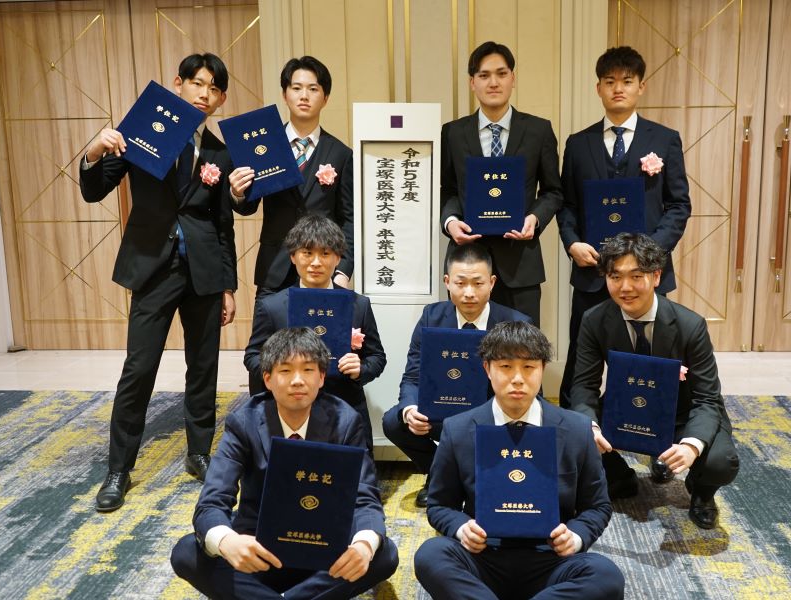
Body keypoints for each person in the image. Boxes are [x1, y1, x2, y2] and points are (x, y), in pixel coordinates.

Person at [79, 53, 237, 512]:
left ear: (222, 99)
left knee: (203, 366)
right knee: (139, 367)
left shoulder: (219, 152)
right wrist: (94, 150)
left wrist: (228, 286)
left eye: (214, 89)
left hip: (204, 272)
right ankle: (118, 469)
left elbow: (223, 224)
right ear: (178, 84)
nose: (205, 94)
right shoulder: (144, 130)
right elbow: (94, 189)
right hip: (153, 266)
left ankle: (199, 453)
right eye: (198, 83)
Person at [170, 327, 398, 599]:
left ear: (321, 377)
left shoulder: (345, 421)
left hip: (324, 549)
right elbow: (212, 501)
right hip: (259, 551)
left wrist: (362, 546)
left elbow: (365, 498)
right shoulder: (244, 422)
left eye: (308, 370)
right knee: (187, 551)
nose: (297, 381)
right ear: (267, 379)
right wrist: (228, 541)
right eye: (286, 371)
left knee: (382, 552)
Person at [414, 321, 624, 600]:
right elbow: (440, 505)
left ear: (542, 369)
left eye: (528, 367)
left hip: (551, 558)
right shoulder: (458, 429)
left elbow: (597, 506)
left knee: (606, 575)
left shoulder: (576, 429)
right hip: (483, 555)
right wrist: (462, 529)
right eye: (505, 366)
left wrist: (575, 536)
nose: (517, 378)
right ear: (487, 369)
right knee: (431, 554)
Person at [571, 232, 739, 529]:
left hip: (681, 412)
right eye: (615, 276)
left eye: (636, 276)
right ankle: (620, 478)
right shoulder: (594, 320)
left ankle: (701, 493)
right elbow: (584, 386)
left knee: (720, 461)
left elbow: (707, 398)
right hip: (624, 409)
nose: (625, 287)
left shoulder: (690, 325)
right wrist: (591, 428)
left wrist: (691, 446)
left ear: (656, 276)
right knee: (573, 433)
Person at [557, 46, 691, 410]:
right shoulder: (578, 144)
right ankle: (576, 428)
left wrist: (650, 255)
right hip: (592, 271)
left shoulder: (664, 139)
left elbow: (679, 205)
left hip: (647, 274)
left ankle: (653, 430)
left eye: (627, 81)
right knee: (581, 355)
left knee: (651, 359)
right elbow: (568, 206)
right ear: (598, 88)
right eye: (610, 81)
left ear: (641, 87)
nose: (618, 88)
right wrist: (572, 243)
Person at [382, 243, 532, 507]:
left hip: (493, 417)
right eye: (461, 283)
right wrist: (410, 409)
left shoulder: (515, 324)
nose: (469, 293)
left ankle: (474, 477)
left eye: (478, 283)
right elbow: (413, 376)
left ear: (492, 283)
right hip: (443, 414)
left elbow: (530, 389)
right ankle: (440, 473)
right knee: (394, 422)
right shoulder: (431, 317)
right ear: (447, 282)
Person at [440, 41, 562, 327]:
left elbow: (553, 191)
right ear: (472, 82)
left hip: (521, 265)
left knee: (521, 346)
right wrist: (450, 222)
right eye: (484, 75)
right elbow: (448, 190)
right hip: (468, 265)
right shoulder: (453, 133)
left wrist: (535, 219)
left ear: (513, 78)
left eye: (501, 74)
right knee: (466, 346)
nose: (493, 82)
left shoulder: (538, 130)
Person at [243, 214, 386, 448]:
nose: (316, 262)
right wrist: (280, 371)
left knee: (353, 470)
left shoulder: (358, 305)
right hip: (288, 407)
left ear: (338, 258)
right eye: (307, 253)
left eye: (325, 254)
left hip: (344, 405)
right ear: (293, 256)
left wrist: (360, 368)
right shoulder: (272, 307)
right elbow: (252, 356)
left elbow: (377, 357)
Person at [229, 55, 353, 299]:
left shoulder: (341, 154)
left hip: (321, 271)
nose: (304, 96)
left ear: (325, 98)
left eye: (313, 89)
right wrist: (237, 193)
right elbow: (248, 207)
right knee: (266, 326)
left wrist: (343, 270)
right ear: (285, 95)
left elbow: (348, 218)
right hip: (273, 268)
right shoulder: (264, 145)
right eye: (296, 88)